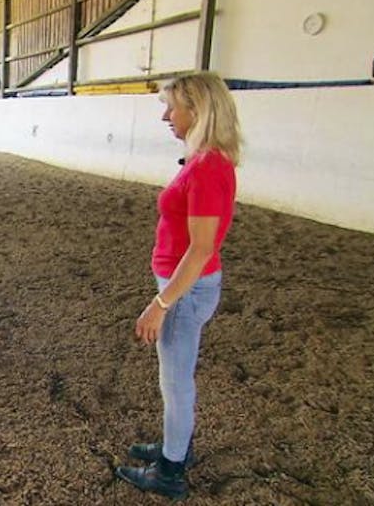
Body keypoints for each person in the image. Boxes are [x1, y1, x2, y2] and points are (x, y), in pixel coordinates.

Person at [114, 72, 243, 499]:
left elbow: (202, 248)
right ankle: (176, 446)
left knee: (175, 381)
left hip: (185, 290)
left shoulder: (205, 169)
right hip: (185, 285)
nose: (166, 116)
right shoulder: (206, 160)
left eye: (172, 108)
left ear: (197, 110)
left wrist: (161, 302)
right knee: (176, 377)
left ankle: (170, 471)